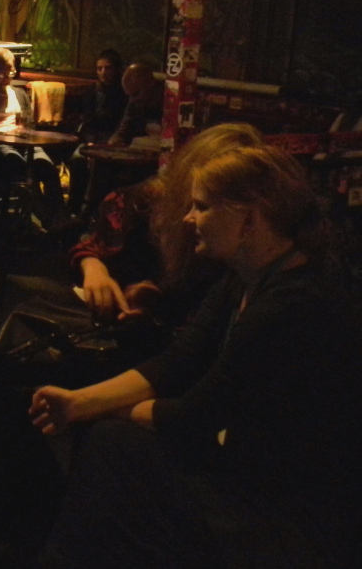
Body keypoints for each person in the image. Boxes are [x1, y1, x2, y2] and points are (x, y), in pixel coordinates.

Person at [30, 144, 362, 568]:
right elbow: (177, 361)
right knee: (112, 449)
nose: (188, 218)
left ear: (250, 220)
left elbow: (193, 417)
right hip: (250, 474)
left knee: (114, 447)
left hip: (288, 514)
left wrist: (97, 410)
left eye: (202, 207)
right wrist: (76, 402)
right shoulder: (245, 279)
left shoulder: (294, 304)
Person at [0, 123, 264, 353]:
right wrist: (94, 268)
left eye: (205, 206)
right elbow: (89, 246)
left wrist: (153, 311)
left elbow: (192, 341)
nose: (190, 217)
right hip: (118, 325)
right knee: (9, 291)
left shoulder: (239, 262)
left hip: (146, 348)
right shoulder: (146, 202)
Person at [0, 48, 65, 228]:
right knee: (19, 166)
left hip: (23, 142)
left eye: (11, 70)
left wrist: (25, 133)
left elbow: (30, 125)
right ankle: (39, 219)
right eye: (2, 71)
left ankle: (60, 218)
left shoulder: (20, 94)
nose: (8, 75)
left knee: (47, 167)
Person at [67, 48, 131, 215]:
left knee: (99, 163)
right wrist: (90, 143)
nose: (103, 72)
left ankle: (90, 209)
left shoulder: (124, 93)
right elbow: (88, 122)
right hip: (93, 137)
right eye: (99, 68)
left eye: (107, 68)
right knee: (77, 158)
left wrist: (105, 145)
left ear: (117, 70)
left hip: (113, 139)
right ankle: (73, 207)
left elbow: (122, 125)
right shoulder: (91, 92)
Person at [107, 60, 162, 147]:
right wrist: (114, 141)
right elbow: (122, 132)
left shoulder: (170, 101)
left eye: (136, 94)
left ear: (150, 83)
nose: (132, 100)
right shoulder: (134, 103)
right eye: (129, 96)